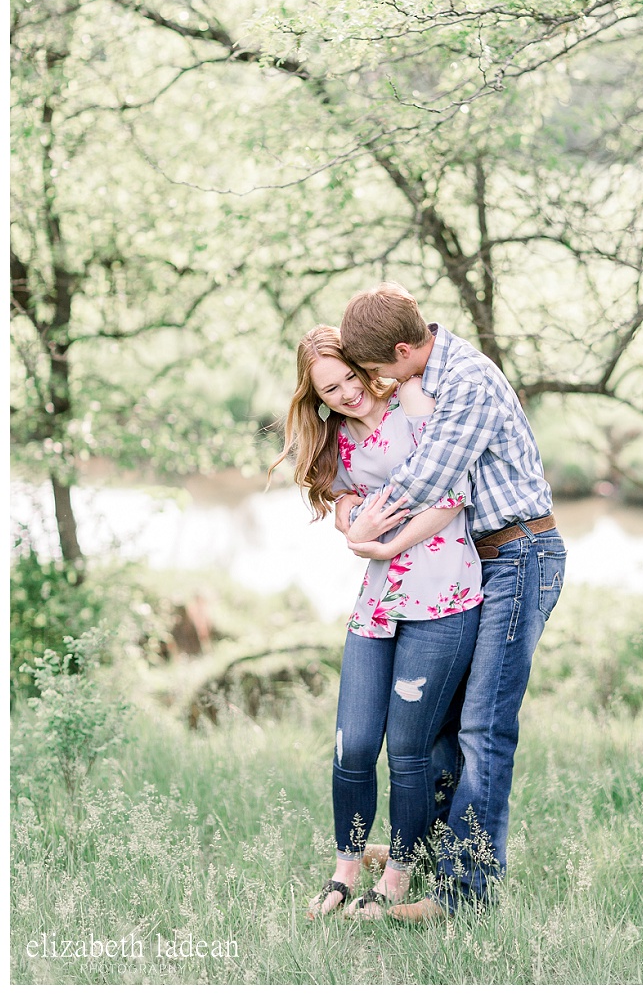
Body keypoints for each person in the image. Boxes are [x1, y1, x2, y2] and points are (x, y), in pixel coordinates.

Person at [335, 283, 566, 922]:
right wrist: (346, 506)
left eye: (378, 369)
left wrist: (363, 531)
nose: (374, 381)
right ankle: (434, 851)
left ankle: (465, 895)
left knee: (483, 727)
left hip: (520, 556)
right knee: (437, 721)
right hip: (475, 563)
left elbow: (427, 479)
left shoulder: (465, 383)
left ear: (404, 349)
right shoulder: (426, 376)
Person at [272, 325, 481, 920]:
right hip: (379, 602)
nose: (344, 394)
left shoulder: (415, 406)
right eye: (329, 390)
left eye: (347, 378)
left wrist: (386, 545)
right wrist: (344, 514)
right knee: (355, 742)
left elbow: (452, 494)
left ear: (365, 366)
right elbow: (341, 495)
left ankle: (396, 874)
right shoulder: (337, 438)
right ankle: (345, 867)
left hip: (442, 595)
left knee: (409, 750)